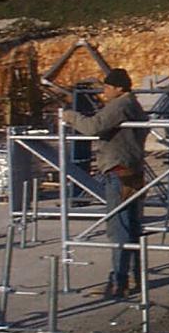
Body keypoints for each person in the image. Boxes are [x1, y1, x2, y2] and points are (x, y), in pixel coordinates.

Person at [63, 68, 148, 298]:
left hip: (119, 172)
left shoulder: (120, 105)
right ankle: (133, 277)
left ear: (119, 88)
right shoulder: (133, 105)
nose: (105, 91)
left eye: (108, 87)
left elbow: (93, 126)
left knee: (119, 228)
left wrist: (70, 116)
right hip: (131, 171)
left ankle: (119, 282)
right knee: (131, 227)